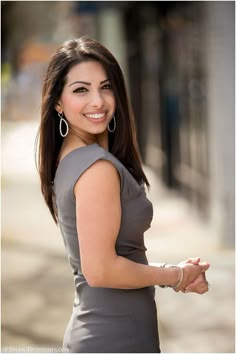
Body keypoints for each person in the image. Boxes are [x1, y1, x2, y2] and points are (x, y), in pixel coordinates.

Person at [36, 36, 210, 353]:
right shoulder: (96, 169)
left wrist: (169, 272)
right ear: (58, 102)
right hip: (113, 339)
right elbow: (101, 270)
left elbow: (114, 259)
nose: (98, 101)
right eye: (80, 90)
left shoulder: (72, 158)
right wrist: (177, 275)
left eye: (106, 86)